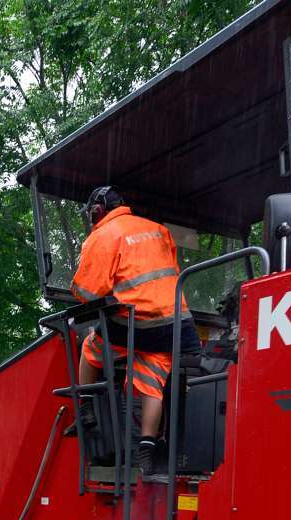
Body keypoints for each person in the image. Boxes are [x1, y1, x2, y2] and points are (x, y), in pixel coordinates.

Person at [68, 186, 200, 475]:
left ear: (97, 211)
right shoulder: (157, 229)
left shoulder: (102, 236)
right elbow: (168, 272)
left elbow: (89, 292)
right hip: (176, 323)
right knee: (150, 379)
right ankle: (147, 448)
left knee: (91, 346)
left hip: (136, 322)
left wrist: (76, 288)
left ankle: (86, 407)